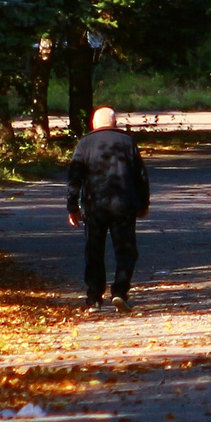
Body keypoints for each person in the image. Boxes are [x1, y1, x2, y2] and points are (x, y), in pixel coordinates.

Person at [66, 106, 149, 312]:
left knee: (94, 250)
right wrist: (143, 203)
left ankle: (94, 298)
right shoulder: (128, 142)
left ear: (94, 123)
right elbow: (141, 176)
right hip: (124, 204)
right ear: (114, 122)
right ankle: (120, 292)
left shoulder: (84, 144)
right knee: (126, 250)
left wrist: (72, 206)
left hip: (95, 206)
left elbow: (74, 178)